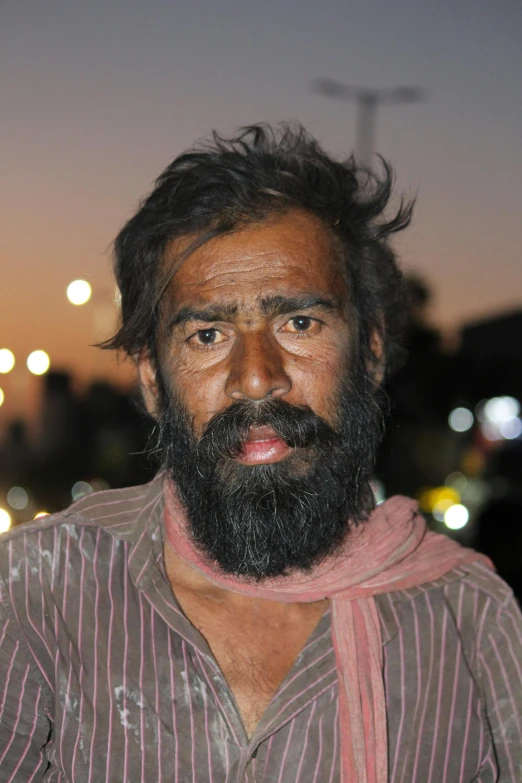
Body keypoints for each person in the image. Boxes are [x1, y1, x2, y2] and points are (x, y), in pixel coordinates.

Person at [1, 124, 521, 783]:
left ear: (370, 351)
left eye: (299, 323)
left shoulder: (470, 619)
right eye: (208, 333)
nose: (256, 376)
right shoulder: (35, 592)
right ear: (153, 380)